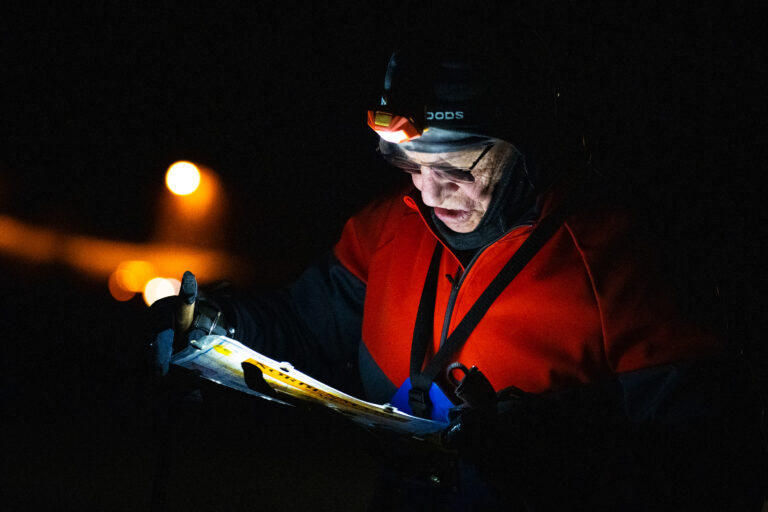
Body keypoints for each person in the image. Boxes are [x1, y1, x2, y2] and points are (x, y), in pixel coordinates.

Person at [148, 28, 764, 510]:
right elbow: (307, 326)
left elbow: (712, 461)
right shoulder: (387, 227)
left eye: (457, 169)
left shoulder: (622, 264)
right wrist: (217, 324)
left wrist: (562, 457)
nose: (428, 191)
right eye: (410, 165)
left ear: (528, 151)